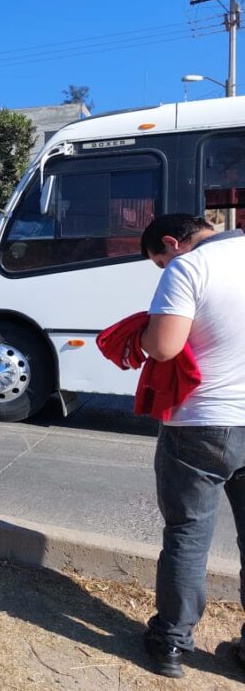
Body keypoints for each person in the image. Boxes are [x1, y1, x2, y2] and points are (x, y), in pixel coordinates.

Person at [138, 214, 245, 678]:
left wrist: (139, 332)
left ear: (171, 244)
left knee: (187, 535)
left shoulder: (191, 267)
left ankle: (171, 645)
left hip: (201, 423)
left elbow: (163, 347)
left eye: (160, 263)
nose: (165, 270)